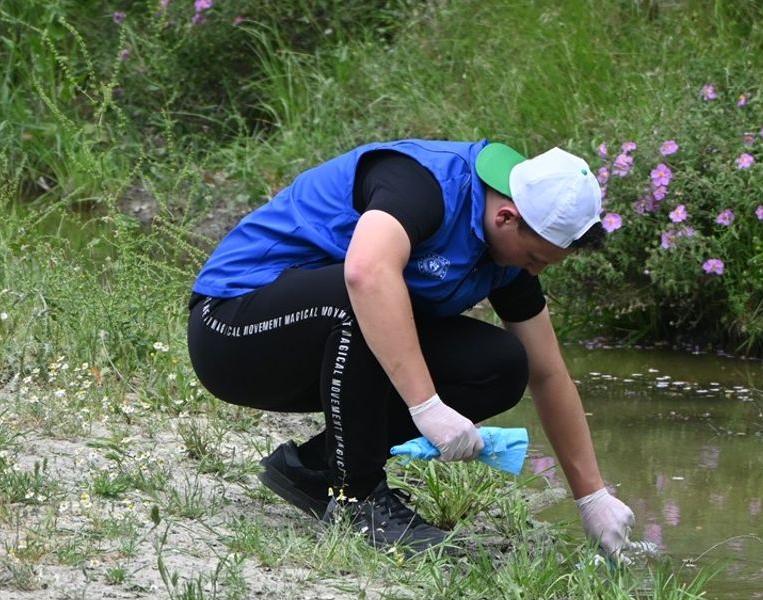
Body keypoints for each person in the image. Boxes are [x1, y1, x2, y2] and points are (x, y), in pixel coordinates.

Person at [186, 138, 634, 557]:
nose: (533, 272)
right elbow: (365, 273)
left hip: (326, 348)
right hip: (232, 331)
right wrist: (427, 406)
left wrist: (592, 496)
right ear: (507, 218)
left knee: (501, 365)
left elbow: (548, 373)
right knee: (366, 298)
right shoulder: (423, 184)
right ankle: (356, 499)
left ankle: (318, 469)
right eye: (535, 259)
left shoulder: (509, 251)